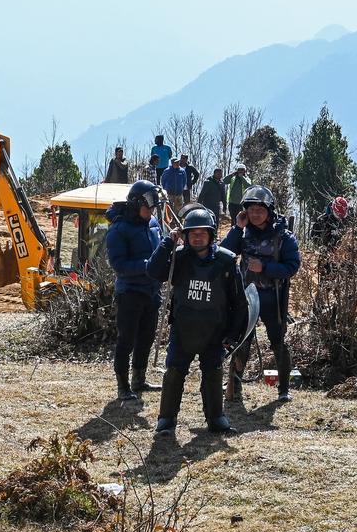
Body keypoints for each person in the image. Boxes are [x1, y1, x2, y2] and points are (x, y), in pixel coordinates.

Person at [147, 209, 247, 436]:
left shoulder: (226, 261)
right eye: (193, 233)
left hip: (215, 333)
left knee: (212, 372)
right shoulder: (178, 258)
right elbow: (153, 272)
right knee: (173, 372)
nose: (198, 237)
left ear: (211, 235)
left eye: (203, 233)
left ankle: (216, 418)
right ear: (186, 235)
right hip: (182, 331)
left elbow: (240, 304)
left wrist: (232, 337)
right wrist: (167, 243)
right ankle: (166, 420)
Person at [221, 186, 301, 402]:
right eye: (251, 209)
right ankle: (234, 386)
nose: (255, 214)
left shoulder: (284, 236)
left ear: (269, 211)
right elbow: (224, 254)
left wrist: (265, 267)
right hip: (245, 297)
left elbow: (293, 266)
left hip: (272, 297)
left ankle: (283, 389)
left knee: (278, 341)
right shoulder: (242, 231)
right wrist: (237, 228)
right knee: (241, 342)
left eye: (260, 209)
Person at [105, 181, 164, 400]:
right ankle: (123, 386)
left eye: (153, 208)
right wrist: (147, 265)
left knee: (146, 338)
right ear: (136, 203)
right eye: (148, 207)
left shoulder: (154, 223)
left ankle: (139, 380)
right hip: (130, 292)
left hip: (152, 291)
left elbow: (160, 250)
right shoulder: (119, 229)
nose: (151, 211)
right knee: (126, 340)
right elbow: (119, 265)